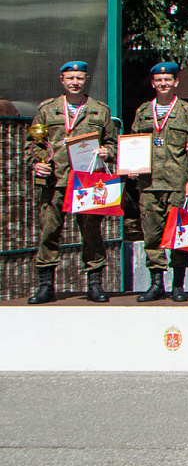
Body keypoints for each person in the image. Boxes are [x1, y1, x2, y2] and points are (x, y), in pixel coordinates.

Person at [27, 60, 116, 304]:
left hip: (87, 181)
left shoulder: (100, 110)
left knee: (91, 233)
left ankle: (95, 285)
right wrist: (35, 163)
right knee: (49, 232)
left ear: (86, 79)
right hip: (54, 180)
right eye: (70, 78)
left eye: (79, 78)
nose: (75, 82)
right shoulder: (47, 109)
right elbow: (32, 144)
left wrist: (108, 151)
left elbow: (113, 142)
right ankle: (46, 286)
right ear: (62, 80)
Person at [128, 61, 188, 303]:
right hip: (149, 184)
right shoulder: (142, 112)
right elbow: (133, 143)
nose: (163, 83)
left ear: (175, 82)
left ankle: (178, 285)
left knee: (179, 236)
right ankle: (156, 283)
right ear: (153, 83)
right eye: (159, 80)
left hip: (177, 183)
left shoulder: (187, 112)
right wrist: (130, 166)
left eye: (168, 80)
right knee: (152, 235)